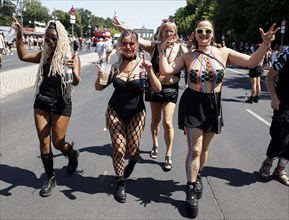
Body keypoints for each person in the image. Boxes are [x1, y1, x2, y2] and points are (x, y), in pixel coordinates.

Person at [159, 18, 279, 217]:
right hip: (192, 104)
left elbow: (251, 61)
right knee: (195, 149)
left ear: (212, 33)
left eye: (207, 31)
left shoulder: (224, 53)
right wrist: (162, 51)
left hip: (213, 105)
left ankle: (196, 176)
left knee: (204, 149)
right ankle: (190, 187)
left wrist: (266, 44)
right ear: (195, 34)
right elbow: (166, 70)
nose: (203, 34)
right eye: (200, 31)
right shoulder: (188, 57)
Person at [13, 16, 81, 197]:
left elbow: (76, 81)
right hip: (41, 101)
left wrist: (72, 68)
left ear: (62, 39)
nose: (49, 42)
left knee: (58, 142)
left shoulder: (71, 56)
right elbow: (22, 55)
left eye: (53, 38)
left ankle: (71, 153)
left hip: (61, 104)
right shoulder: (43, 55)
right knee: (44, 140)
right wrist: (19, 34)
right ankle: (50, 177)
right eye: (47, 38)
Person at [94, 29, 161, 203]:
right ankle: (120, 181)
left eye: (132, 43)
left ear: (137, 45)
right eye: (124, 43)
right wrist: (100, 76)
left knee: (132, 150)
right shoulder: (115, 66)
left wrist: (150, 71)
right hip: (114, 110)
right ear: (120, 46)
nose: (128, 47)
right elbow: (99, 87)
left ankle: (132, 161)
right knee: (118, 148)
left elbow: (158, 88)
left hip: (137, 112)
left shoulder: (144, 65)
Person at [113, 17, 188, 171]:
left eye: (171, 31)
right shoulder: (154, 46)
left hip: (171, 90)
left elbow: (192, 61)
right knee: (155, 120)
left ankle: (168, 154)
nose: (169, 33)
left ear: (175, 33)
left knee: (168, 122)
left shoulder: (181, 49)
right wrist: (123, 28)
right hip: (154, 89)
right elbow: (136, 39)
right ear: (162, 32)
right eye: (166, 30)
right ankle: (155, 144)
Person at [259, 48, 289, 187]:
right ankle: (268, 161)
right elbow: (270, 76)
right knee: (281, 137)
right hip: (284, 103)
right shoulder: (287, 54)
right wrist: (274, 98)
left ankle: (280, 170)